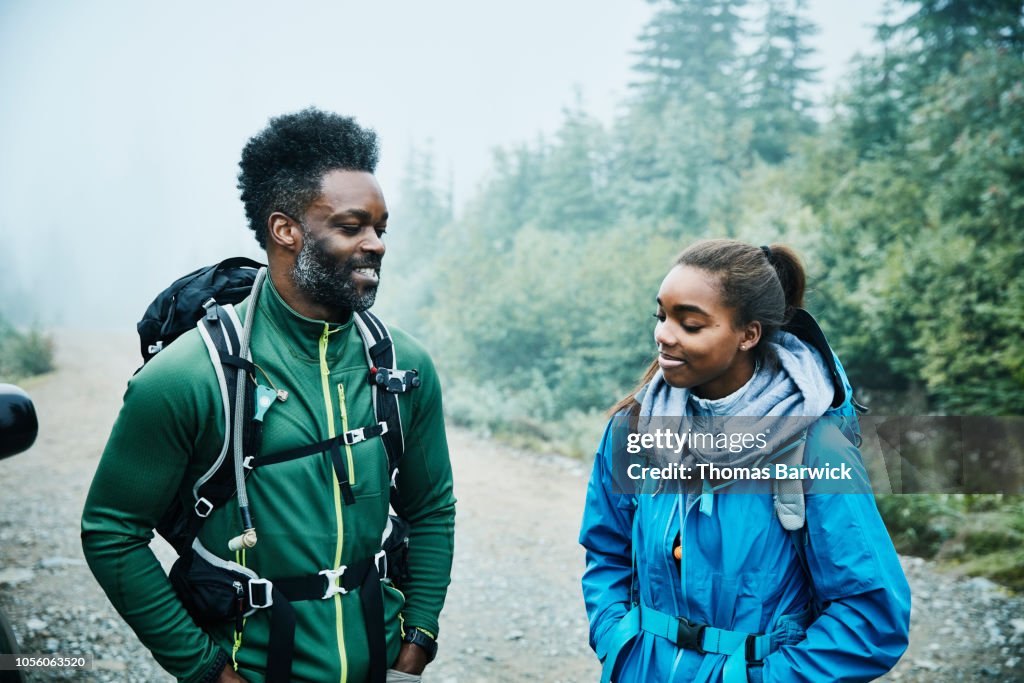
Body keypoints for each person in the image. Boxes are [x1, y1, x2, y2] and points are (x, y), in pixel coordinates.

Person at [82, 109, 456, 683]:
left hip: (383, 665)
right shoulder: (190, 376)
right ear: (287, 230)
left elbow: (430, 507)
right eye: (352, 226)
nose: (376, 244)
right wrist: (204, 669)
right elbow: (111, 532)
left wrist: (418, 637)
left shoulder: (404, 364)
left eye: (381, 228)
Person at [579, 239, 910, 682]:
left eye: (690, 324)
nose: (663, 334)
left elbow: (871, 619)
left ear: (748, 334)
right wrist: (616, 639)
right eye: (661, 316)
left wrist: (756, 678)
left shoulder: (816, 447)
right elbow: (606, 550)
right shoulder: (634, 428)